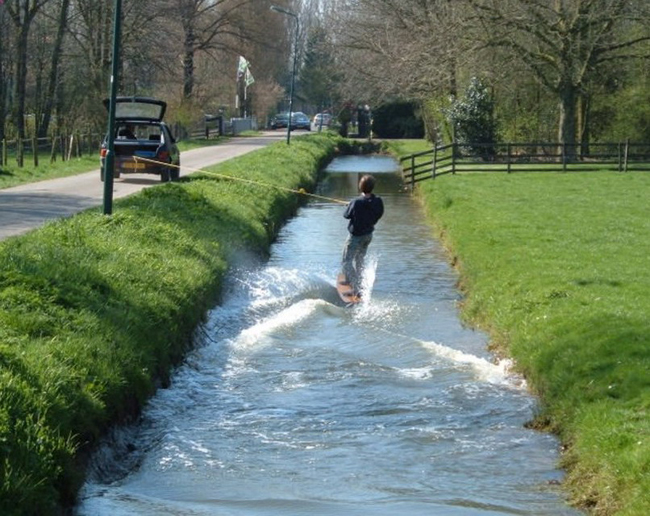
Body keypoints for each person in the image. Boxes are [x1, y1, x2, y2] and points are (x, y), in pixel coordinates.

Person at [340, 174, 384, 296]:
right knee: (359, 260)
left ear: (360, 187)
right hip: (368, 235)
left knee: (346, 261)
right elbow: (379, 213)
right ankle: (359, 283)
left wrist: (349, 206)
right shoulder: (378, 201)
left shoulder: (356, 202)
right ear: (372, 187)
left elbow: (346, 215)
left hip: (355, 237)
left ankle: (355, 286)